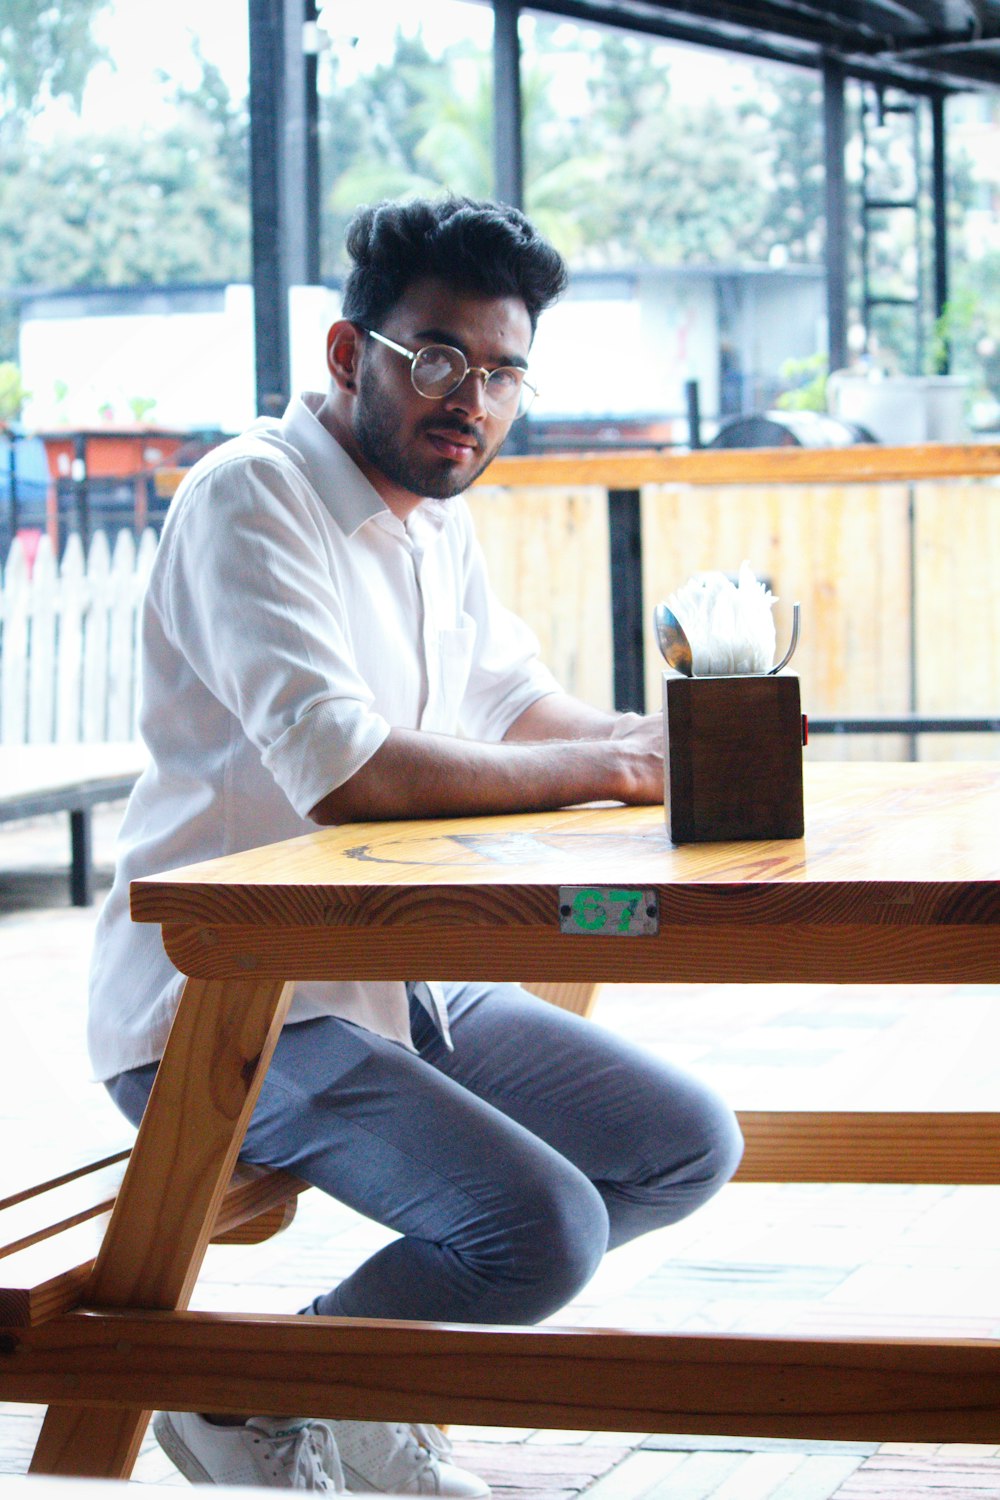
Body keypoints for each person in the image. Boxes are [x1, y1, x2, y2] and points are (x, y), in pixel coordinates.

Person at [89, 195, 743, 1494]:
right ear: (351, 356)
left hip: (404, 981)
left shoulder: (435, 523)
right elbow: (345, 769)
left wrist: (658, 743)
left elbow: (513, 706)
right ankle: (264, 1406)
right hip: (227, 1007)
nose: (474, 399)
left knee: (681, 1144)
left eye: (503, 371)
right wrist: (602, 766)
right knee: (537, 1230)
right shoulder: (254, 498)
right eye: (440, 358)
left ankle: (321, 1394)